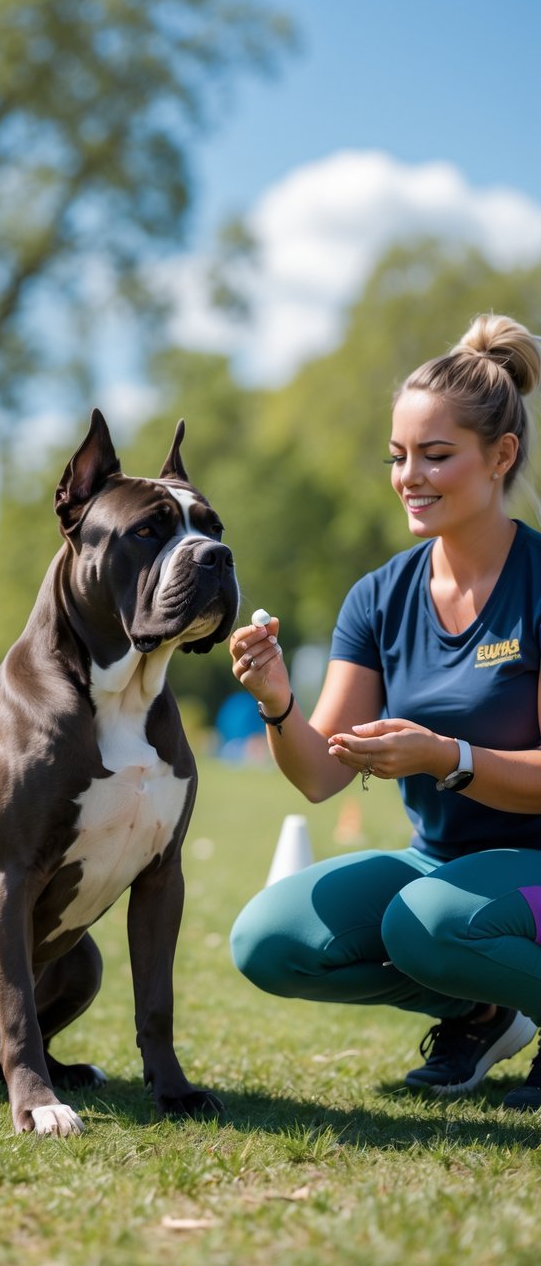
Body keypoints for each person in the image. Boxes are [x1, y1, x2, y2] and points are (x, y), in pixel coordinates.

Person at [228, 314, 541, 1108]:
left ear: (501, 456)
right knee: (269, 940)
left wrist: (448, 757)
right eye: (399, 457)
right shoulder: (378, 596)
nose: (410, 476)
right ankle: (481, 1009)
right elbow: (321, 775)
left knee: (425, 923)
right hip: (438, 869)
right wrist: (277, 703)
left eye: (437, 455)